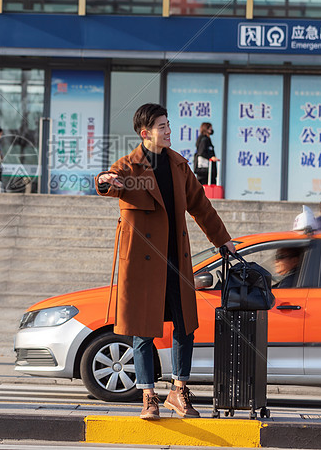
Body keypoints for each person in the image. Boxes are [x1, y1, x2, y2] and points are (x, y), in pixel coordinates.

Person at [96, 103, 236, 421]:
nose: (169, 130)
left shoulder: (178, 165)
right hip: (143, 265)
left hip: (176, 260)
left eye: (168, 124)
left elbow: (201, 205)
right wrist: (106, 180)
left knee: (185, 327)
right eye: (162, 126)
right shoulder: (129, 166)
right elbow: (108, 180)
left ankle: (178, 390)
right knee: (142, 331)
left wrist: (223, 240)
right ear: (146, 133)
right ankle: (148, 396)